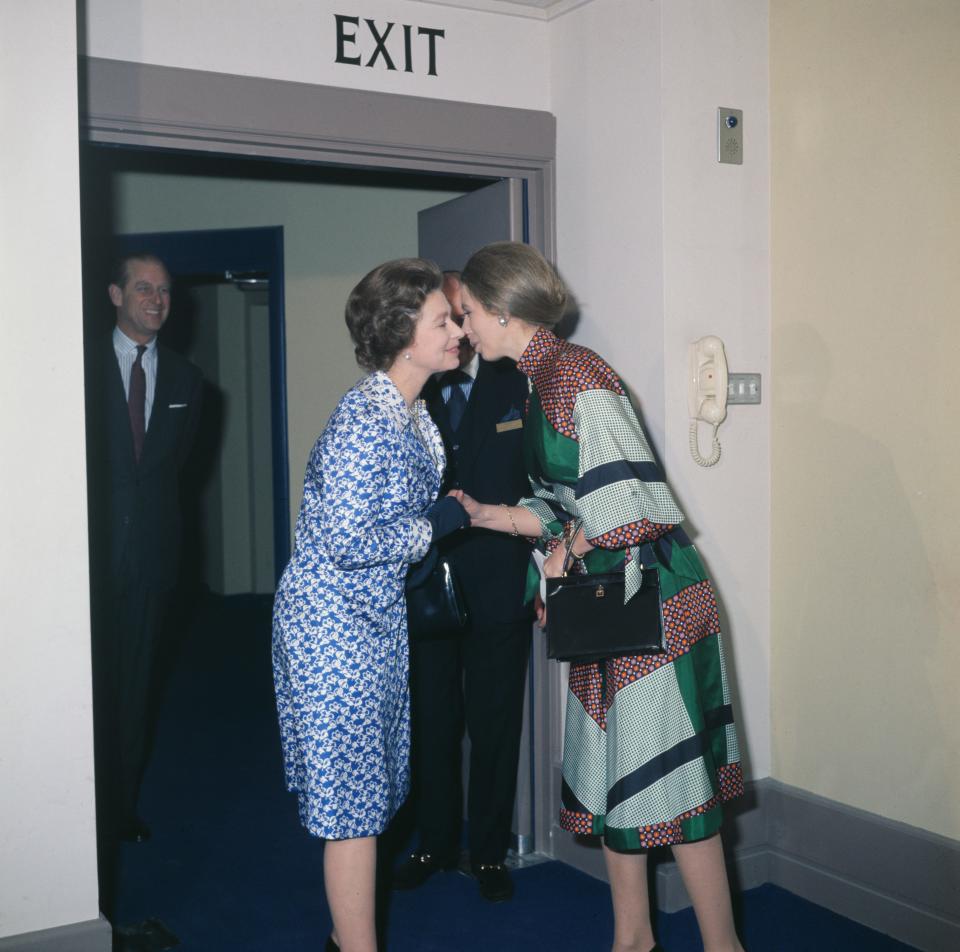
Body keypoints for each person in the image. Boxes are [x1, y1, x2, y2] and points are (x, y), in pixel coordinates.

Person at [453, 242, 745, 952]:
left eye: (466, 314)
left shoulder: (573, 374)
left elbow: (634, 506)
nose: (462, 330)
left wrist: (565, 552)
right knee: (629, 786)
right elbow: (572, 505)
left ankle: (723, 948)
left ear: (501, 311)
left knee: (675, 791)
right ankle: (633, 940)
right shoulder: (539, 374)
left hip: (654, 603)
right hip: (613, 604)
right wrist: (495, 517)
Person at [272, 258, 470, 952]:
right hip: (332, 631)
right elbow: (350, 539)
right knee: (352, 811)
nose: (458, 333)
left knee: (371, 795)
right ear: (400, 333)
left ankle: (342, 936)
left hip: (373, 624)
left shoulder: (412, 412)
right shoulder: (366, 420)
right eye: (443, 322)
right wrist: (436, 526)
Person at [394, 272, 533, 903]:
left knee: (495, 722)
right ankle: (434, 841)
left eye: (464, 312)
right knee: (432, 718)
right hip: (426, 582)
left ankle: (489, 853)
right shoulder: (414, 389)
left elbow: (542, 484)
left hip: (500, 577)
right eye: (446, 315)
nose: (457, 327)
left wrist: (539, 572)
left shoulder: (519, 382)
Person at [85, 253, 202, 919]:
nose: (156, 299)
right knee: (81, 693)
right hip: (84, 561)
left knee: (133, 690)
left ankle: (117, 810)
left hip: (153, 561)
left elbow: (170, 471)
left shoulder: (189, 380)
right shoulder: (77, 366)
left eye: (164, 290)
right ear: (114, 294)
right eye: (143, 287)